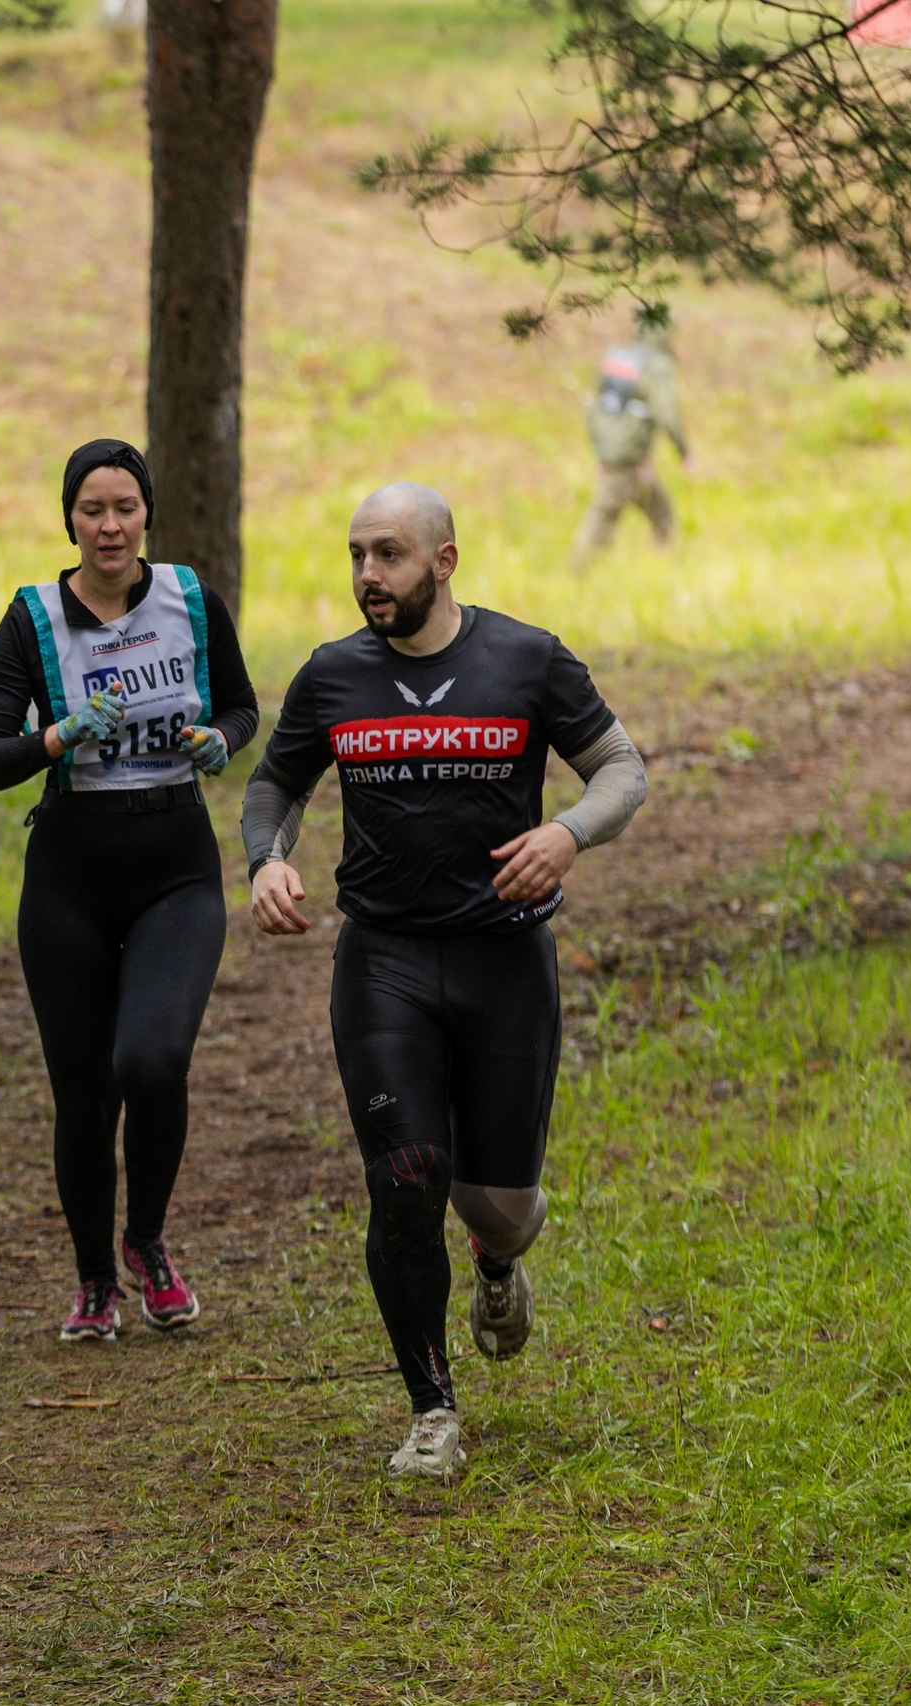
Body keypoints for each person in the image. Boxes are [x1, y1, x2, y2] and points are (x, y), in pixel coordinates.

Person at [243, 482, 647, 1480]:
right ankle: (431, 1406)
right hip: (382, 959)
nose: (368, 576)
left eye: (389, 555)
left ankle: (499, 1262)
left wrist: (565, 831)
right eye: (355, 556)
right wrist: (266, 856)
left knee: (495, 1204)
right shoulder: (333, 674)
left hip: (504, 958)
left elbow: (621, 771)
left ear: (444, 560)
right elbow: (275, 783)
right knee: (404, 1177)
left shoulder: (525, 658)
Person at [0, 439, 260, 1343]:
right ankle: (94, 1280)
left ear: (147, 515)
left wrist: (221, 740)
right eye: (93, 509)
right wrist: (54, 739)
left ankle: (148, 1242)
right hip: (69, 877)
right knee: (85, 1094)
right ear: (69, 520)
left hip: (175, 864)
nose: (110, 525)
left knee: (152, 1062)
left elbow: (244, 705)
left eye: (126, 506)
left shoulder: (189, 599)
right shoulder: (32, 619)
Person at [567, 314, 693, 571]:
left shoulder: (617, 355)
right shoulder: (656, 365)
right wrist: (684, 452)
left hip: (618, 454)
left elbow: (598, 409)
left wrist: (602, 453)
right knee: (604, 514)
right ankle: (578, 571)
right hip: (627, 459)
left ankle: (672, 567)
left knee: (659, 509)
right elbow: (667, 412)